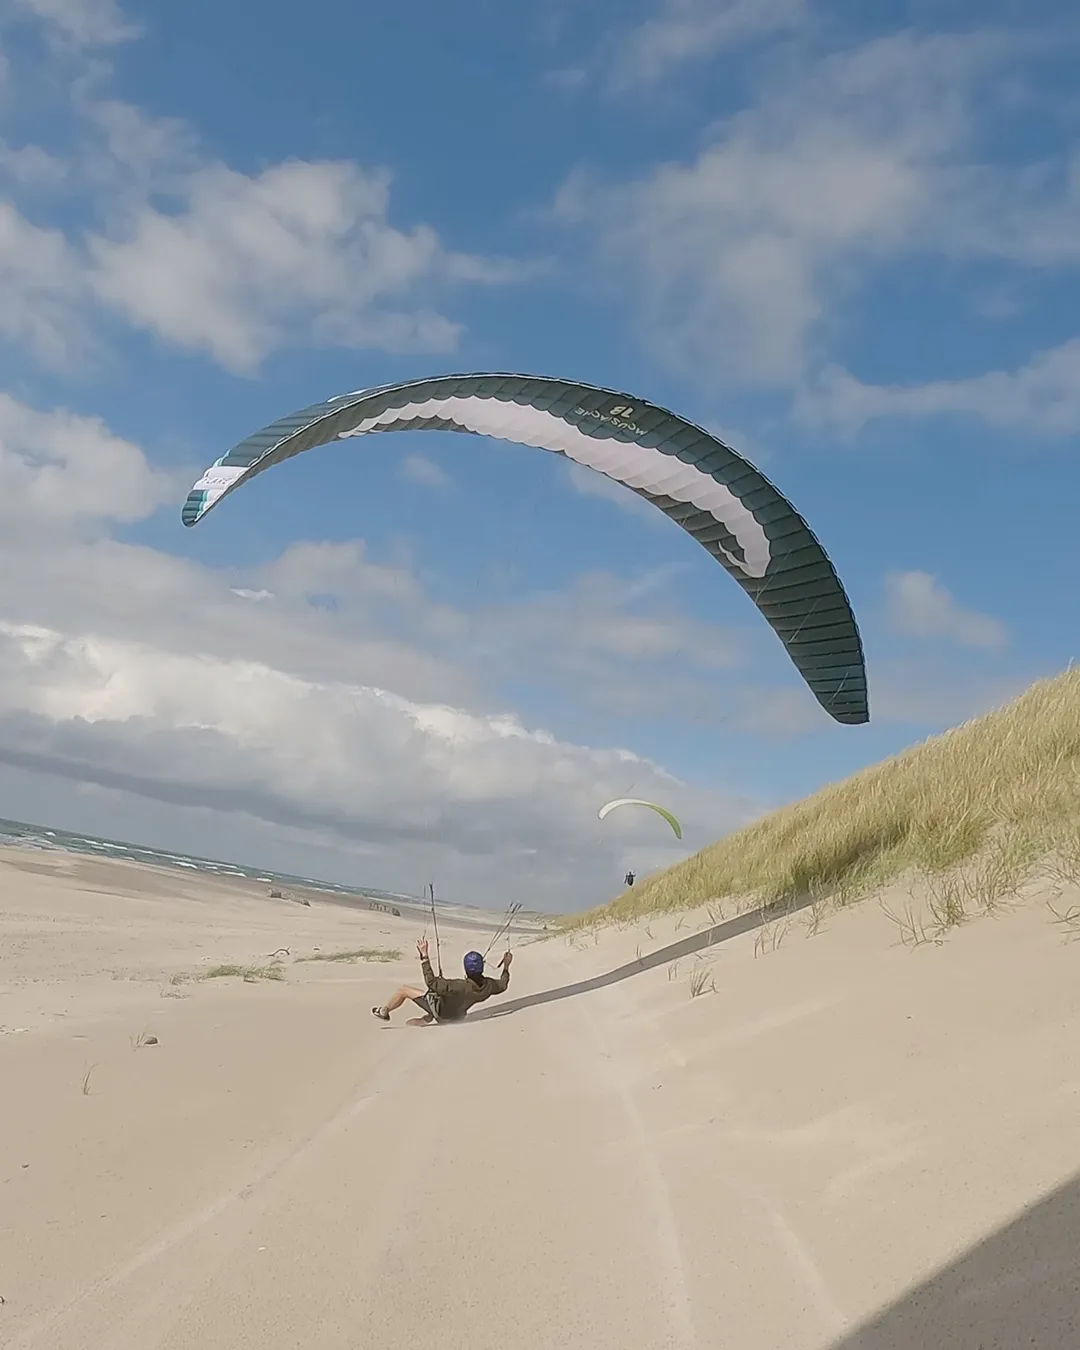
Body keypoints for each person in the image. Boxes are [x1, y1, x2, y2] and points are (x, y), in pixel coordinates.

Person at [371, 939, 512, 1026]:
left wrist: (425, 956)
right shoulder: (488, 986)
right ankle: (427, 1017)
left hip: (442, 1013)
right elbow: (503, 984)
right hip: (457, 1016)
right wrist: (506, 966)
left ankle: (384, 1012)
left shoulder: (459, 986)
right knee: (442, 997)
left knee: (403, 990)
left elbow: (431, 982)